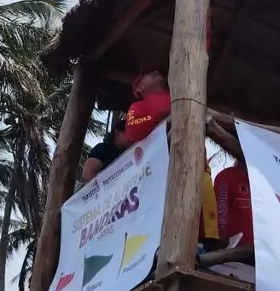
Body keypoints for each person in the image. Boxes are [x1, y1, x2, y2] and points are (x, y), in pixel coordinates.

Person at [124, 69, 222, 250]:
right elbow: (132, 130)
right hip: (165, 170)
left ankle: (211, 246)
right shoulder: (137, 107)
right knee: (174, 213)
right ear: (140, 87)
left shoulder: (178, 92)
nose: (155, 72)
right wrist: (159, 116)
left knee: (207, 210)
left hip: (199, 164)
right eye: (148, 73)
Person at [214, 160, 253, 248]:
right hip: (234, 251)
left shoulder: (264, 181)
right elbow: (221, 213)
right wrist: (223, 240)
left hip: (260, 251)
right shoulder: (226, 177)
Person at [81, 116, 130, 183]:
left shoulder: (128, 153)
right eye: (129, 132)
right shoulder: (102, 149)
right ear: (118, 133)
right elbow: (87, 175)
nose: (133, 136)